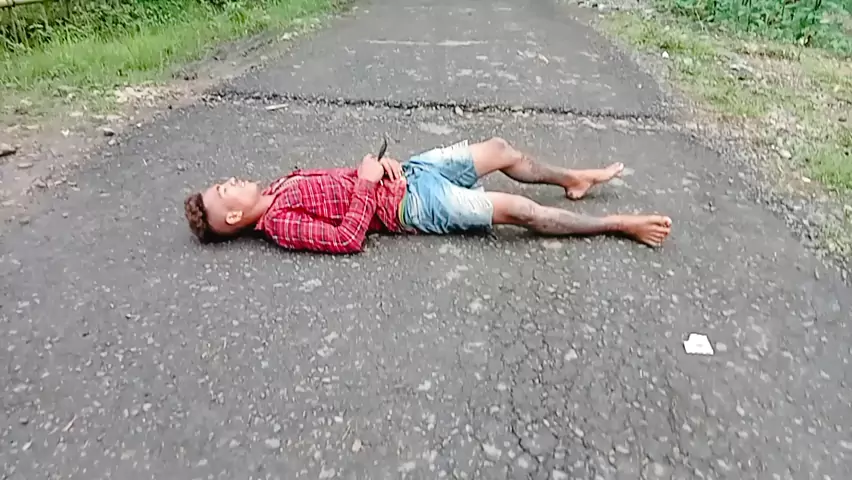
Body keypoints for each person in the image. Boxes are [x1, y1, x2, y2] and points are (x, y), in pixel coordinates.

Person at [183, 137, 672, 253]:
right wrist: (369, 182)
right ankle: (619, 225)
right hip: (411, 206)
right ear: (233, 217)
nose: (232, 181)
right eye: (225, 190)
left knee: (499, 149)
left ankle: (573, 179)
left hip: (409, 174)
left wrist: (379, 167)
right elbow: (348, 238)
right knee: (516, 210)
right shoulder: (280, 226)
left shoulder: (276, 188)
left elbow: (346, 181)